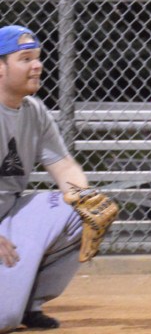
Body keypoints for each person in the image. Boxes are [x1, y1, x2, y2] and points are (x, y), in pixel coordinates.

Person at [0, 26, 89, 332]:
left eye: (37, 58)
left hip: (8, 214)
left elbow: (63, 167)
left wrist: (85, 199)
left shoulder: (34, 111)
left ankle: (29, 303)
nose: (37, 65)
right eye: (25, 59)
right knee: (3, 321)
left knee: (80, 211)